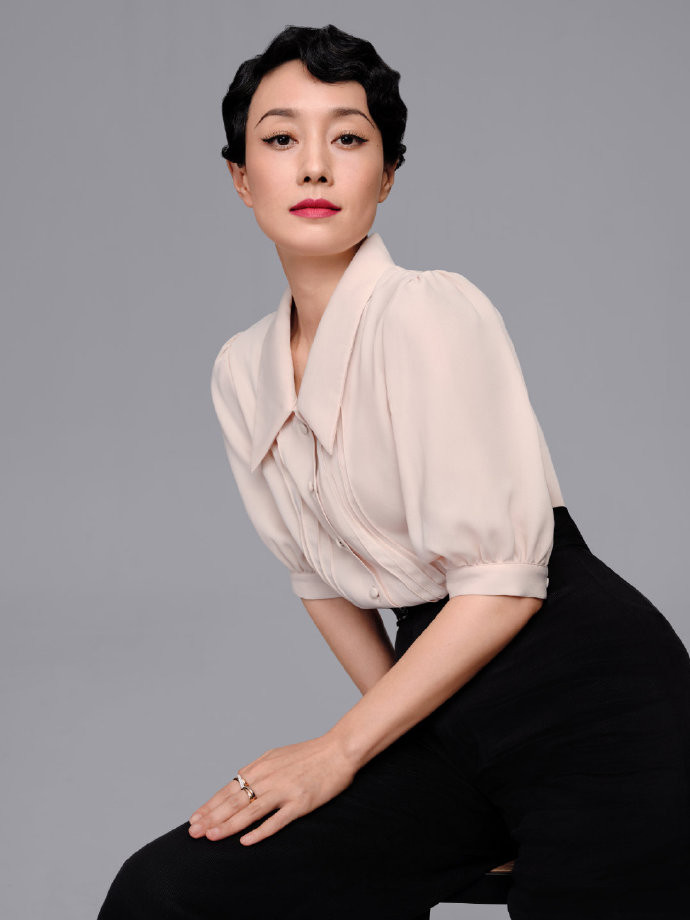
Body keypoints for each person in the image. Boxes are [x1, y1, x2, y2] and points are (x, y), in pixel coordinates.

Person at [96, 23, 690, 920]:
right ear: (240, 177)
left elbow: (505, 586)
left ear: (387, 175)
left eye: (348, 138)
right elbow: (316, 578)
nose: (314, 167)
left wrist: (340, 751)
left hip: (590, 698)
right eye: (280, 139)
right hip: (440, 702)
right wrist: (398, 744)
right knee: (170, 893)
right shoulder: (241, 371)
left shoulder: (431, 312)